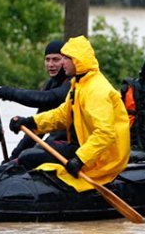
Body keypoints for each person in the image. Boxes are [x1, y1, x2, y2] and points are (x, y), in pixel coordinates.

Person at [8, 35, 130, 192]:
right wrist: (30, 122)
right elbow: (61, 116)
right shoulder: (79, 84)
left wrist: (80, 159)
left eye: (65, 58)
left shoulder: (96, 90)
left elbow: (105, 134)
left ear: (77, 60)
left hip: (103, 157)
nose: (62, 62)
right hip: (85, 148)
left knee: (30, 157)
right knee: (33, 152)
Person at [0, 39, 70, 161]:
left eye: (56, 59)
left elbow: (45, 99)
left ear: (66, 60)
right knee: (25, 156)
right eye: (47, 59)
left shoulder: (74, 83)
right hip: (57, 141)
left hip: (76, 146)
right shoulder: (50, 84)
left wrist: (3, 92)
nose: (50, 64)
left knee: (31, 156)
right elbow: (37, 129)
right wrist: (14, 157)